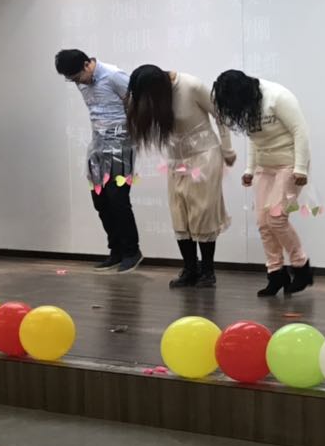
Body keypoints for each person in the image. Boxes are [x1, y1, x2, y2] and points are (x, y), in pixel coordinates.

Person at [125, 64, 235, 287]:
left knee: (202, 211)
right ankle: (189, 269)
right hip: (176, 158)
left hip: (204, 155)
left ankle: (208, 272)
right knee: (179, 212)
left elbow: (220, 115)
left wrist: (227, 150)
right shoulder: (154, 95)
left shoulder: (191, 86)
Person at [212, 69, 314, 297]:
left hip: (289, 164)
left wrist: (300, 168)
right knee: (263, 222)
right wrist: (249, 170)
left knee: (276, 218)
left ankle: (301, 268)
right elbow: (254, 140)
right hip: (265, 167)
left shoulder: (277, 96)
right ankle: (276, 274)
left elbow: (300, 131)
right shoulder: (246, 104)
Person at [55, 49, 143, 273]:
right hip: (97, 143)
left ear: (87, 64)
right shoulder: (81, 81)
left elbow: (136, 105)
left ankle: (132, 252)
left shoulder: (114, 76)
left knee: (117, 197)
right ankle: (116, 251)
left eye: (77, 77)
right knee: (100, 199)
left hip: (121, 142)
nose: (77, 83)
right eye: (72, 80)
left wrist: (130, 136)